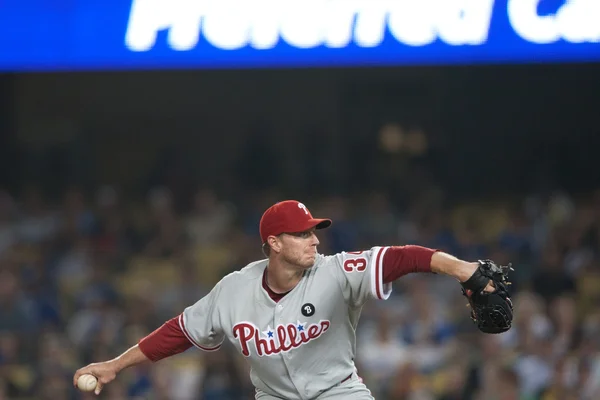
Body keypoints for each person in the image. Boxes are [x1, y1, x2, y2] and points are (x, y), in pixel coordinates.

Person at [73, 200, 497, 399]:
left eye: (315, 231)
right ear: (274, 243)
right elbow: (178, 333)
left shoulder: (334, 272)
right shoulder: (234, 289)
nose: (315, 240)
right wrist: (113, 365)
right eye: (302, 233)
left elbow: (403, 258)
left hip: (338, 393)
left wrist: (464, 270)